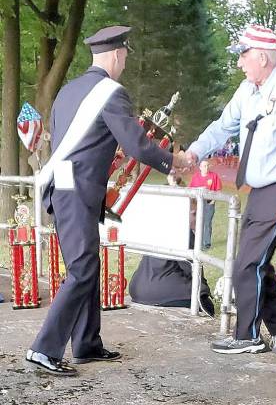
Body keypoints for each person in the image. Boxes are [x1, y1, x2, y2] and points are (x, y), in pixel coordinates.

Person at [26, 25, 189, 376]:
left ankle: (86, 343)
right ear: (117, 54)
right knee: (82, 268)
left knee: (88, 266)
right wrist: (174, 160)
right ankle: (43, 348)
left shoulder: (68, 91)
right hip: (78, 192)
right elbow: (136, 145)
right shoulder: (111, 94)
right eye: (125, 56)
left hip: (66, 188)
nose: (125, 63)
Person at [185, 25, 276, 355]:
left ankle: (248, 335)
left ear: (262, 57)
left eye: (243, 54)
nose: (239, 62)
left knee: (246, 264)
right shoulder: (248, 90)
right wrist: (195, 151)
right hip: (260, 190)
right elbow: (223, 126)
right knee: (255, 261)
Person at [129, 174, 215, 315]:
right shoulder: (183, 231)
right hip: (161, 290)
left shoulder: (157, 225)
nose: (198, 218)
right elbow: (193, 271)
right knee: (206, 305)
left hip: (137, 288)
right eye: (194, 214)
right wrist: (204, 291)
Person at [189, 160, 222, 249]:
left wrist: (213, 201)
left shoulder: (214, 176)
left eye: (207, 166)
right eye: (204, 166)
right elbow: (191, 190)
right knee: (198, 223)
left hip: (209, 202)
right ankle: (198, 243)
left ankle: (207, 243)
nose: (206, 167)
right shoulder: (195, 177)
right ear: (200, 167)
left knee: (207, 223)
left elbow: (218, 190)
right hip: (198, 203)